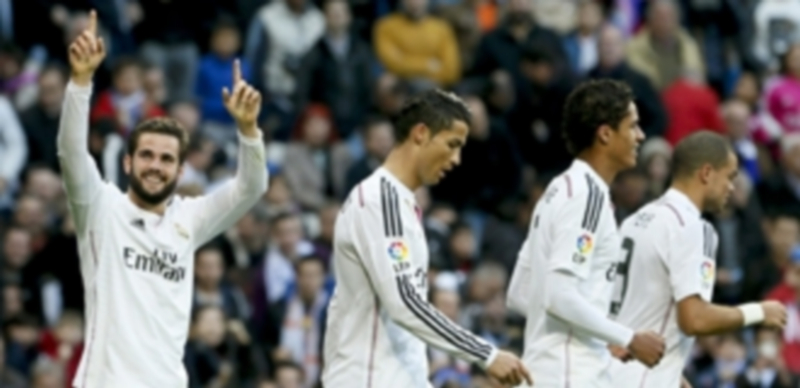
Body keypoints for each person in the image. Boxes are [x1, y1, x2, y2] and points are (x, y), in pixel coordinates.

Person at [58, 11, 269, 387]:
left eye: (167, 159)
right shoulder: (100, 207)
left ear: (180, 170)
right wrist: (80, 81)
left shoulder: (189, 219)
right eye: (147, 155)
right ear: (128, 161)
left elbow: (250, 188)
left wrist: (248, 131)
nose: (156, 166)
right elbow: (71, 152)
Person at [322, 89, 532, 388]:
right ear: (421, 133)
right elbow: (404, 302)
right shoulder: (380, 201)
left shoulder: (402, 203)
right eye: (452, 144)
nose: (457, 159)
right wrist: (485, 354)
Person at [506, 79, 662, 388]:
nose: (640, 136)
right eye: (632, 127)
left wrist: (603, 334)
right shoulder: (587, 196)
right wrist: (628, 337)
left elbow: (520, 293)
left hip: (546, 372)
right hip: (571, 375)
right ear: (605, 134)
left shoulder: (558, 189)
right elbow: (557, 295)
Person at [607, 131, 787, 388]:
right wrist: (758, 311)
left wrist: (672, 374)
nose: (732, 187)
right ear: (706, 173)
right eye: (730, 176)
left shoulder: (636, 220)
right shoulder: (693, 227)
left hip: (610, 373)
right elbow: (694, 319)